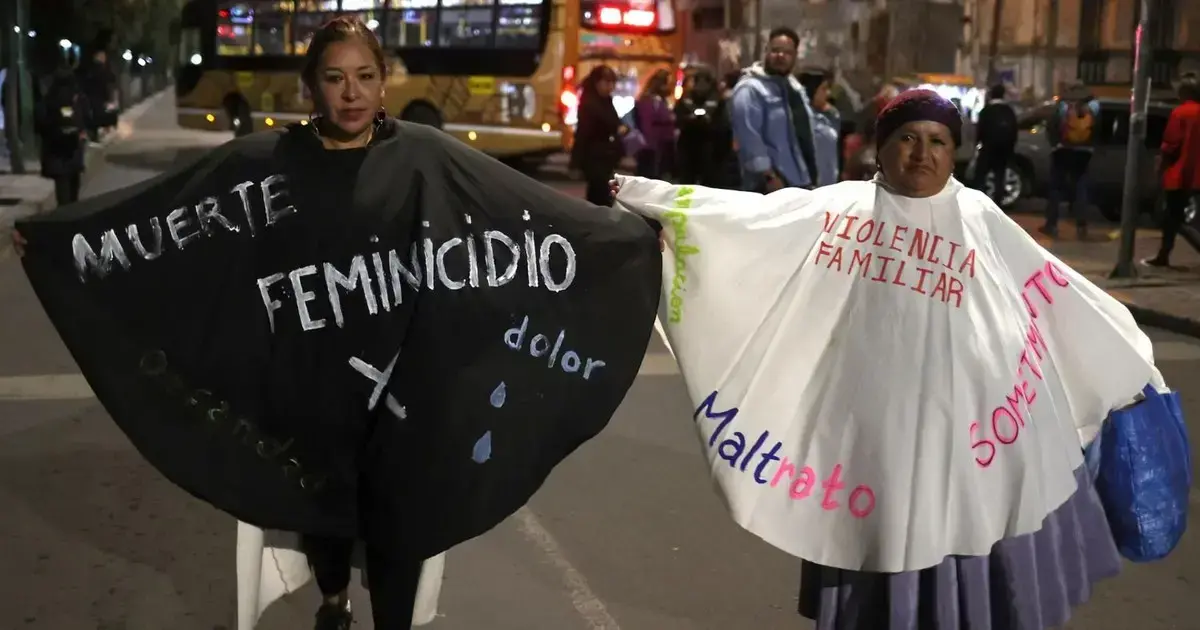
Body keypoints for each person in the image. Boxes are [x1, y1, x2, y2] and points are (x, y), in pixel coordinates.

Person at [16, 16, 662, 630]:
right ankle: (332, 597)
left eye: (363, 76)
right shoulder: (264, 166)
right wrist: (58, 243)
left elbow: (529, 210)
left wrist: (629, 236)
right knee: (326, 523)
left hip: (408, 391)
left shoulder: (426, 158)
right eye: (334, 77)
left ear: (383, 82)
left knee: (400, 530)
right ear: (310, 87)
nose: (350, 92)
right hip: (314, 391)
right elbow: (163, 223)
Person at [613, 89, 1167, 629]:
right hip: (864, 442)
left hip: (966, 439)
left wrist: (1118, 353)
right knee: (871, 559)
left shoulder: (979, 215)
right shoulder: (841, 207)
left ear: (955, 152)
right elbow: (752, 225)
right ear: (881, 147)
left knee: (962, 560)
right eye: (907, 138)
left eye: (938, 141)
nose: (922, 154)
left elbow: (1053, 292)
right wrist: (662, 214)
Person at [730, 27, 820, 192]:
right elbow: (749, 139)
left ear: (794, 56)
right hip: (768, 187)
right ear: (766, 51)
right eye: (776, 50)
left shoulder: (794, 87)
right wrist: (769, 177)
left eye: (787, 52)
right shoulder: (750, 89)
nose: (781, 56)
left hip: (800, 183)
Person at [1144, 73, 1200, 268]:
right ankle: (1163, 255)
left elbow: (1170, 145)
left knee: (1173, 218)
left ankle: (1163, 255)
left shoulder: (1180, 113)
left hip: (1181, 174)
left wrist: (1160, 168)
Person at [1043, 87, 1100, 238]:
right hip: (1084, 153)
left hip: (1062, 150)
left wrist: (1055, 144)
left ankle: (1052, 224)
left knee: (1055, 188)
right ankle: (1081, 227)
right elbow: (1099, 129)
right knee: (1081, 188)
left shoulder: (1063, 106)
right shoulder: (1093, 108)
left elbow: (1051, 126)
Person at [570, 65, 627, 206]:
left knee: (601, 196)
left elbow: (614, 121)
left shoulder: (606, 101)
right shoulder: (589, 103)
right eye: (607, 83)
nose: (610, 87)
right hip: (594, 157)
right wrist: (575, 163)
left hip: (606, 157)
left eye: (612, 83)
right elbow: (583, 133)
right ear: (597, 83)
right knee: (599, 196)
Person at [34, 65, 89, 206]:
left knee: (62, 190)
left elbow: (39, 124)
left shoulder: (49, 99)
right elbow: (87, 118)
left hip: (55, 151)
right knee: (73, 189)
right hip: (74, 149)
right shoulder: (77, 99)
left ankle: (63, 216)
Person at [674, 65, 734, 187]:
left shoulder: (718, 100)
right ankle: (685, 205)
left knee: (709, 184)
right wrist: (690, 120)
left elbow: (723, 125)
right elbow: (678, 120)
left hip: (711, 148)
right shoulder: (686, 99)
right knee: (687, 184)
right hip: (689, 146)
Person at [973, 83, 1018, 205]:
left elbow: (979, 130)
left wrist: (977, 144)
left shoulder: (987, 110)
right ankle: (998, 203)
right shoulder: (1008, 111)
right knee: (1000, 177)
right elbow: (1014, 131)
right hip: (1004, 150)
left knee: (980, 175)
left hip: (988, 148)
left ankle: (979, 202)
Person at [797, 67, 841, 186]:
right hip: (809, 186)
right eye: (823, 89)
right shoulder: (799, 119)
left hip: (829, 185)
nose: (828, 93)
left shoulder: (831, 115)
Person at [634, 68, 676, 179]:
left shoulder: (660, 100)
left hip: (659, 147)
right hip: (652, 148)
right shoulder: (650, 100)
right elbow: (647, 124)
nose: (671, 87)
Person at [78, 49, 117, 144]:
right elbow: (109, 82)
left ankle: (94, 134)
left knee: (95, 115)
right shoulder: (102, 70)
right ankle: (95, 134)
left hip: (93, 96)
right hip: (99, 96)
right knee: (100, 115)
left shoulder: (91, 69)